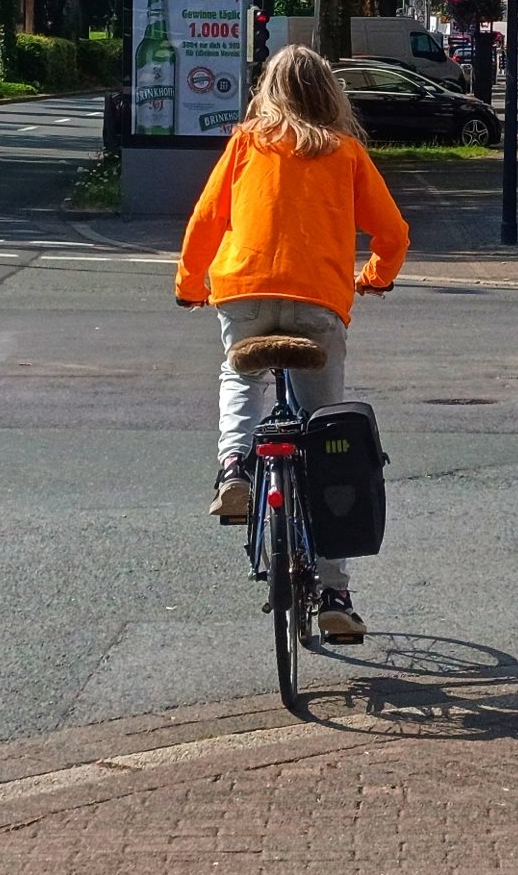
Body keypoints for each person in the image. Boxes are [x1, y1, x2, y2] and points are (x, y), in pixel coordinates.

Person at [175, 42, 411, 640]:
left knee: (239, 374)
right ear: (330, 94)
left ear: (268, 91)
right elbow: (392, 230)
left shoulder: (246, 144)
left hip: (243, 292)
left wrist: (188, 285)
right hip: (317, 302)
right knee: (324, 435)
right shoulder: (345, 152)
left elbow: (206, 221)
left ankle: (234, 469)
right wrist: (375, 277)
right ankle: (334, 591)